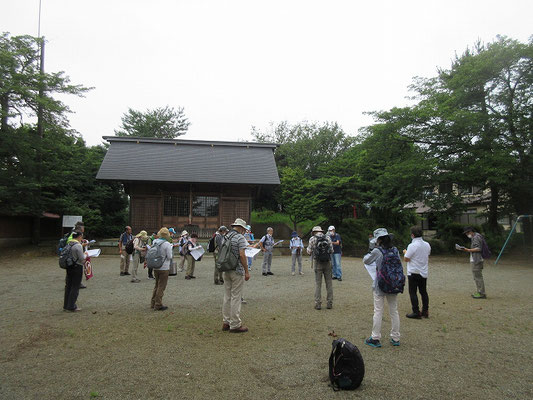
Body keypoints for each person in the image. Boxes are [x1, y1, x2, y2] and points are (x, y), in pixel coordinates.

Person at [363, 228, 401, 347]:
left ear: (378, 240)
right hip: (394, 283)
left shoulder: (377, 251)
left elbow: (366, 260)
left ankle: (375, 337)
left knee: (378, 311)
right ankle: (395, 337)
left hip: (380, 284)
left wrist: (371, 248)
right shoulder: (395, 250)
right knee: (394, 311)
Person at [221, 218, 250, 333]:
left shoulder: (226, 236)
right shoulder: (240, 238)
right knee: (236, 297)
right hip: (237, 270)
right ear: (241, 228)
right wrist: (246, 270)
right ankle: (235, 324)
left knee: (227, 296)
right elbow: (242, 255)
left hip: (226, 268)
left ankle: (226, 321)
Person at [403, 226, 431, 318]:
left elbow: (406, 259)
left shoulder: (412, 245)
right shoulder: (427, 244)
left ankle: (416, 311)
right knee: (423, 292)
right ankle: (425, 311)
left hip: (413, 271)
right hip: (423, 271)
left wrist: (405, 252)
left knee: (413, 292)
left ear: (412, 235)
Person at [307, 226, 333, 310]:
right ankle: (329, 303)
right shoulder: (328, 238)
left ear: (314, 232)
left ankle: (318, 304)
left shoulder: (312, 239)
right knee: (329, 283)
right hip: (327, 262)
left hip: (318, 262)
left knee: (318, 284)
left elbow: (309, 251)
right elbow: (331, 250)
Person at [63, 231, 87, 312]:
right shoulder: (78, 246)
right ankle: (71, 306)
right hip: (77, 267)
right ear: (79, 236)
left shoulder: (69, 244)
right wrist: (86, 255)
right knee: (75, 287)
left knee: (68, 286)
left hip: (69, 266)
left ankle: (66, 305)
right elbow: (82, 259)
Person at [150, 227, 173, 311]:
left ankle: (153, 302)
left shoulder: (154, 241)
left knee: (156, 285)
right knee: (161, 286)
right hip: (164, 267)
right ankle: (158, 304)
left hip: (156, 266)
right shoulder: (166, 244)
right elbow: (170, 256)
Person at [462, 227, 487, 299]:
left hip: (477, 259)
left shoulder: (476, 237)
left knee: (478, 277)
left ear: (471, 232)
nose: (467, 234)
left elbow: (478, 248)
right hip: (476, 259)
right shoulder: (476, 236)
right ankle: (479, 292)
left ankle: (481, 293)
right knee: (476, 277)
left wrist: (468, 250)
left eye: (467, 233)